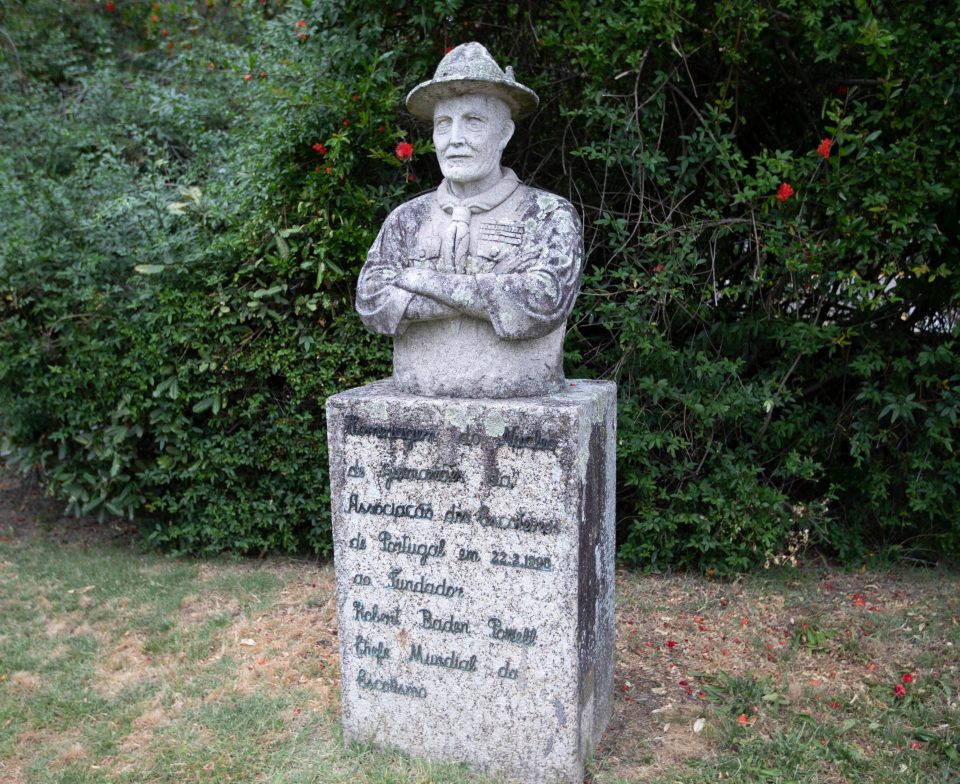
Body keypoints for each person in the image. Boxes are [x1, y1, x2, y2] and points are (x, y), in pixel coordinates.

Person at [356, 43, 583, 398]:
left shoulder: (548, 216)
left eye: (473, 121)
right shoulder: (406, 220)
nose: (455, 140)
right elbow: (371, 301)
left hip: (520, 400)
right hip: (417, 398)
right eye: (443, 124)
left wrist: (419, 280)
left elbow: (542, 302)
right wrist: (491, 292)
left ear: (505, 133)